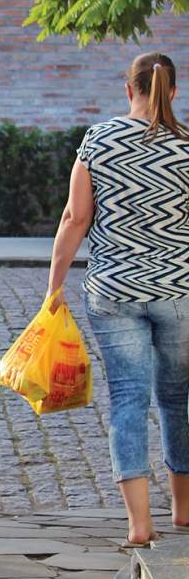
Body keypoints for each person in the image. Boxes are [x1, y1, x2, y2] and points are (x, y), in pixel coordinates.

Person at [46, 52, 189, 547]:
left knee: (128, 399)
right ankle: (184, 510)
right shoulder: (188, 145)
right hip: (179, 290)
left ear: (129, 90)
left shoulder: (99, 140)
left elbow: (74, 219)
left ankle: (139, 524)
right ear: (172, 90)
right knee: (178, 398)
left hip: (114, 290)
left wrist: (54, 285)